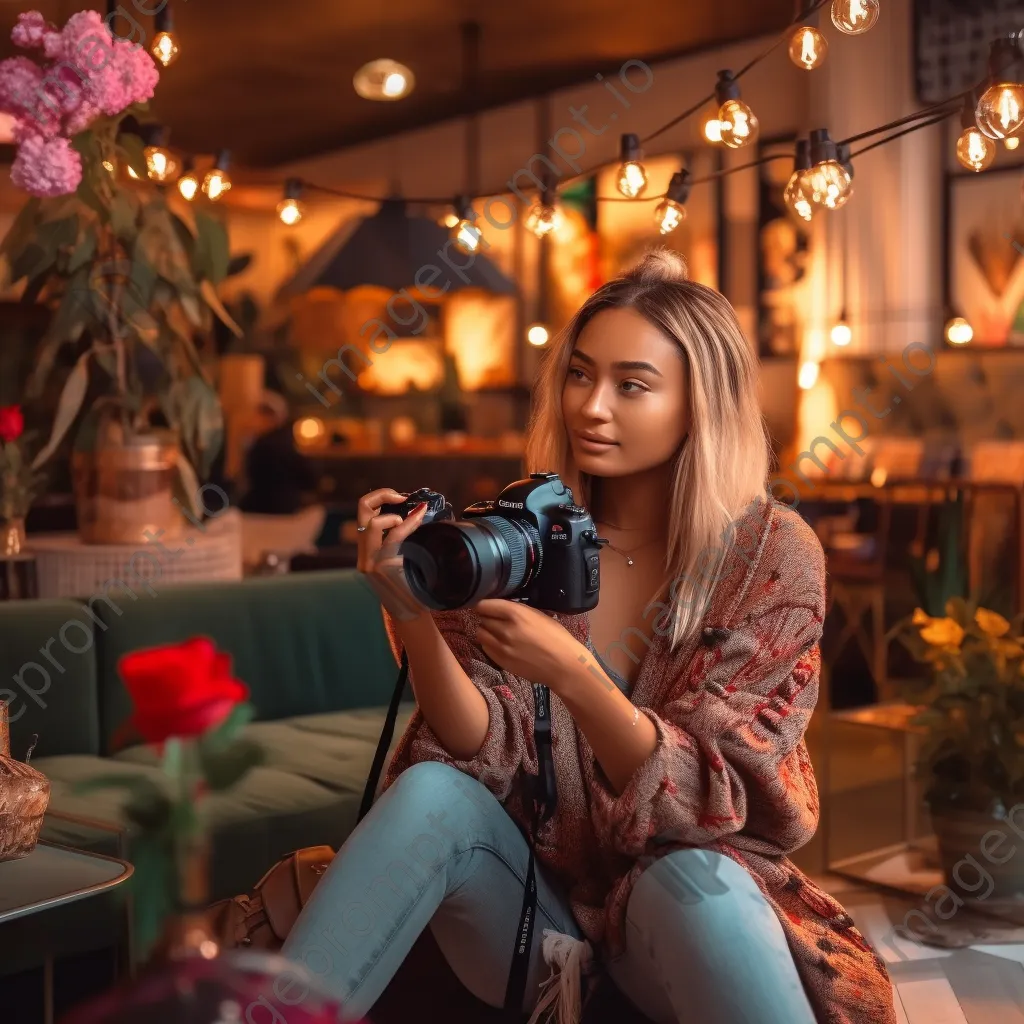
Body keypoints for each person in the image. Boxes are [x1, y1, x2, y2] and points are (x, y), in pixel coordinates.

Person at [282, 251, 896, 1024]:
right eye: (580, 375)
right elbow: (480, 748)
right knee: (433, 792)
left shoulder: (770, 556)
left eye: (631, 385)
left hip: (684, 906)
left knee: (691, 880)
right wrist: (410, 612)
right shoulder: (524, 537)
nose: (592, 406)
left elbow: (716, 795)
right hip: (538, 923)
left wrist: (576, 673)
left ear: (698, 405)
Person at [237, 390, 317, 515]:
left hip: (270, 513)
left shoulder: (270, 446)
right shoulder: (280, 442)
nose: (254, 419)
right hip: (280, 509)